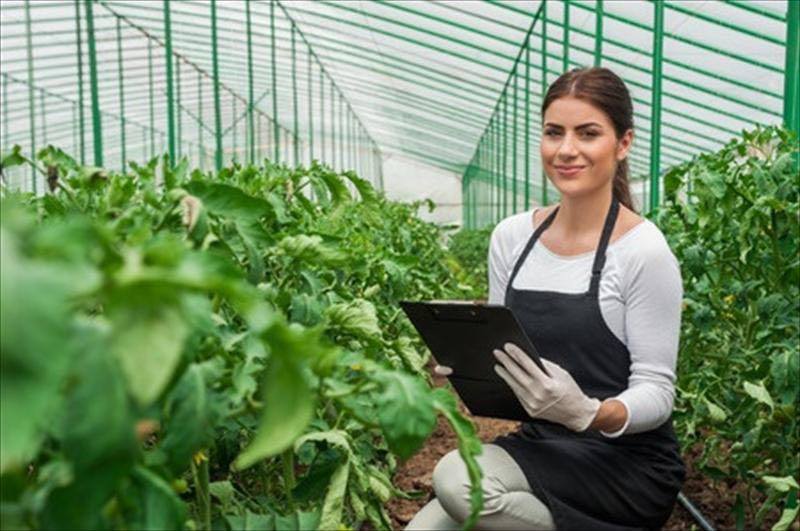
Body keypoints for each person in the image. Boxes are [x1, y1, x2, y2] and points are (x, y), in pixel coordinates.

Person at [406, 67, 685, 530]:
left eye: (588, 133)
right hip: (543, 444)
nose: (567, 149)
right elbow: (510, 355)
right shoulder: (513, 237)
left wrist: (589, 412)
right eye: (554, 133)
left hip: (626, 465)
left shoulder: (643, 251)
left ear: (623, 143)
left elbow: (658, 392)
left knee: (458, 482)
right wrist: (473, 366)